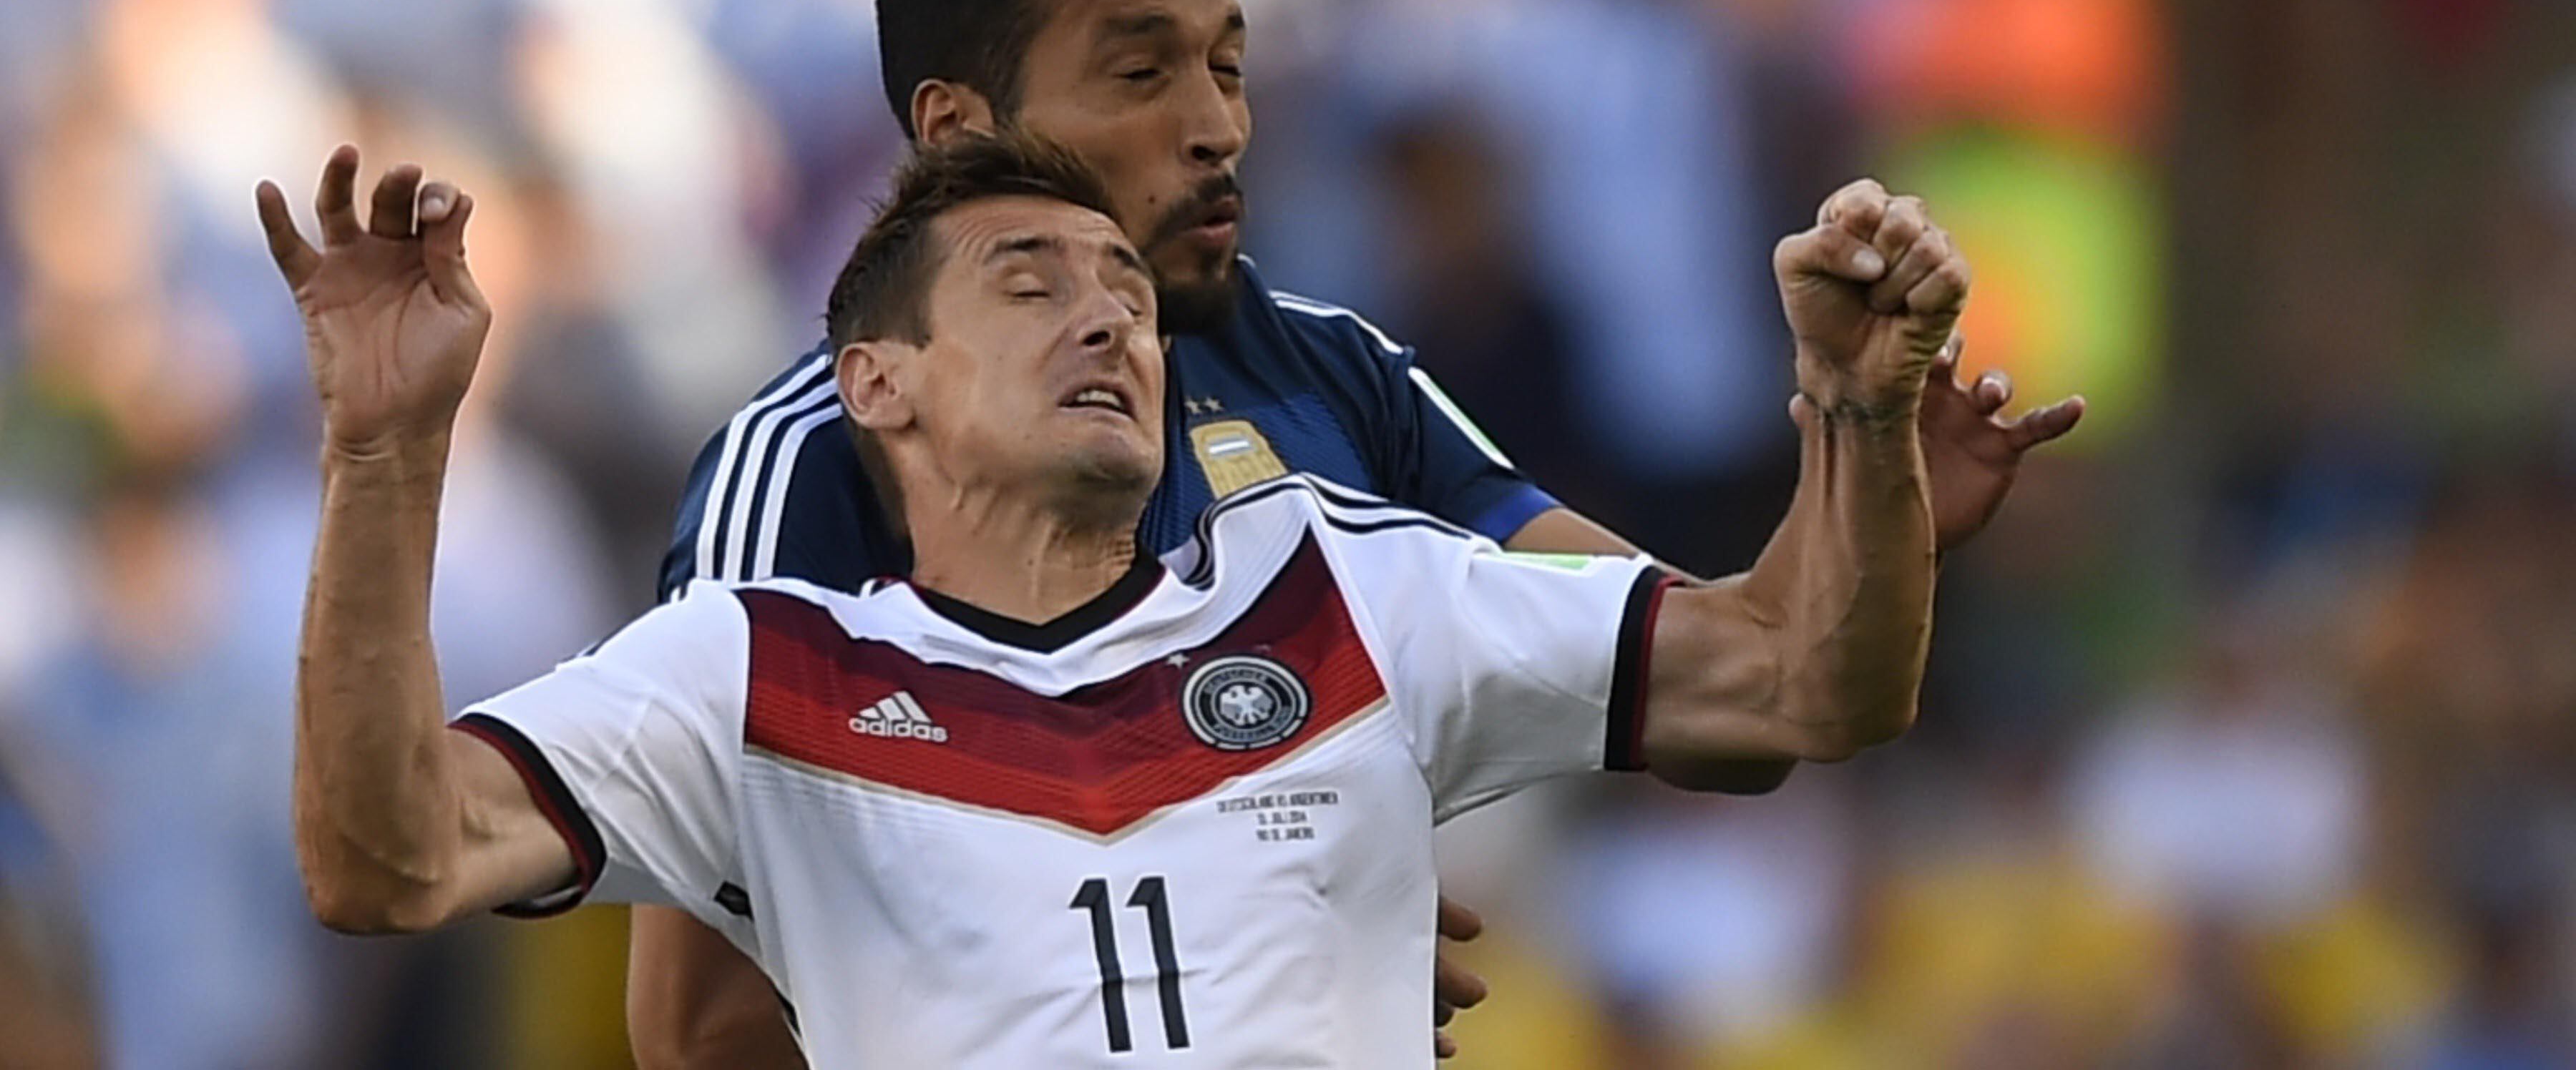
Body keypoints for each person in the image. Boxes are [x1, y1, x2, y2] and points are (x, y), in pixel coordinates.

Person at [640, 0, 2086, 1064]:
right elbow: (699, 1021)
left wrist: (1861, 431)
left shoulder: (1333, 372)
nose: (1217, 125)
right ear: (960, 130)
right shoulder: (818, 461)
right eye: (1140, 72)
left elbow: (1776, 690)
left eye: (1227, 65)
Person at [267, 132, 1969, 1069]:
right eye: (1031, 280)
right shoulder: (756, 669)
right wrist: (388, 449)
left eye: (1125, 293)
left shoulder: (1347, 590)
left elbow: (1810, 683)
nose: (1109, 320)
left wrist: (1861, 412)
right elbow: (384, 857)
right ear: (880, 380)